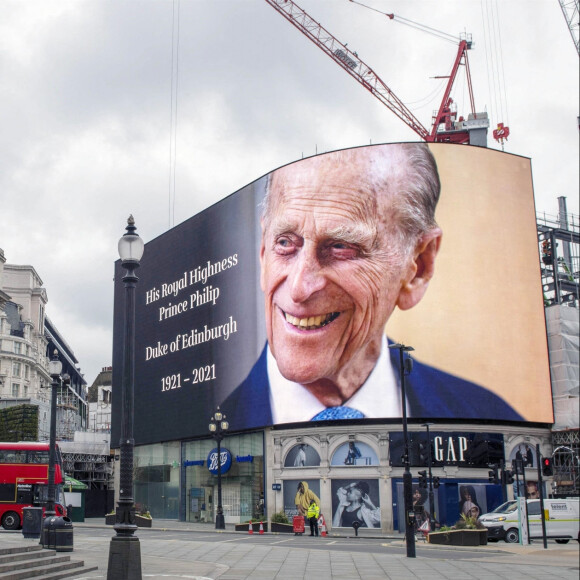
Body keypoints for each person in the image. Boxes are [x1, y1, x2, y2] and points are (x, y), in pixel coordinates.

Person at [222, 144, 522, 428]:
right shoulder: (208, 431)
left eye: (341, 247)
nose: (299, 288)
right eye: (285, 243)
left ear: (419, 266)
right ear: (264, 253)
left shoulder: (490, 419)